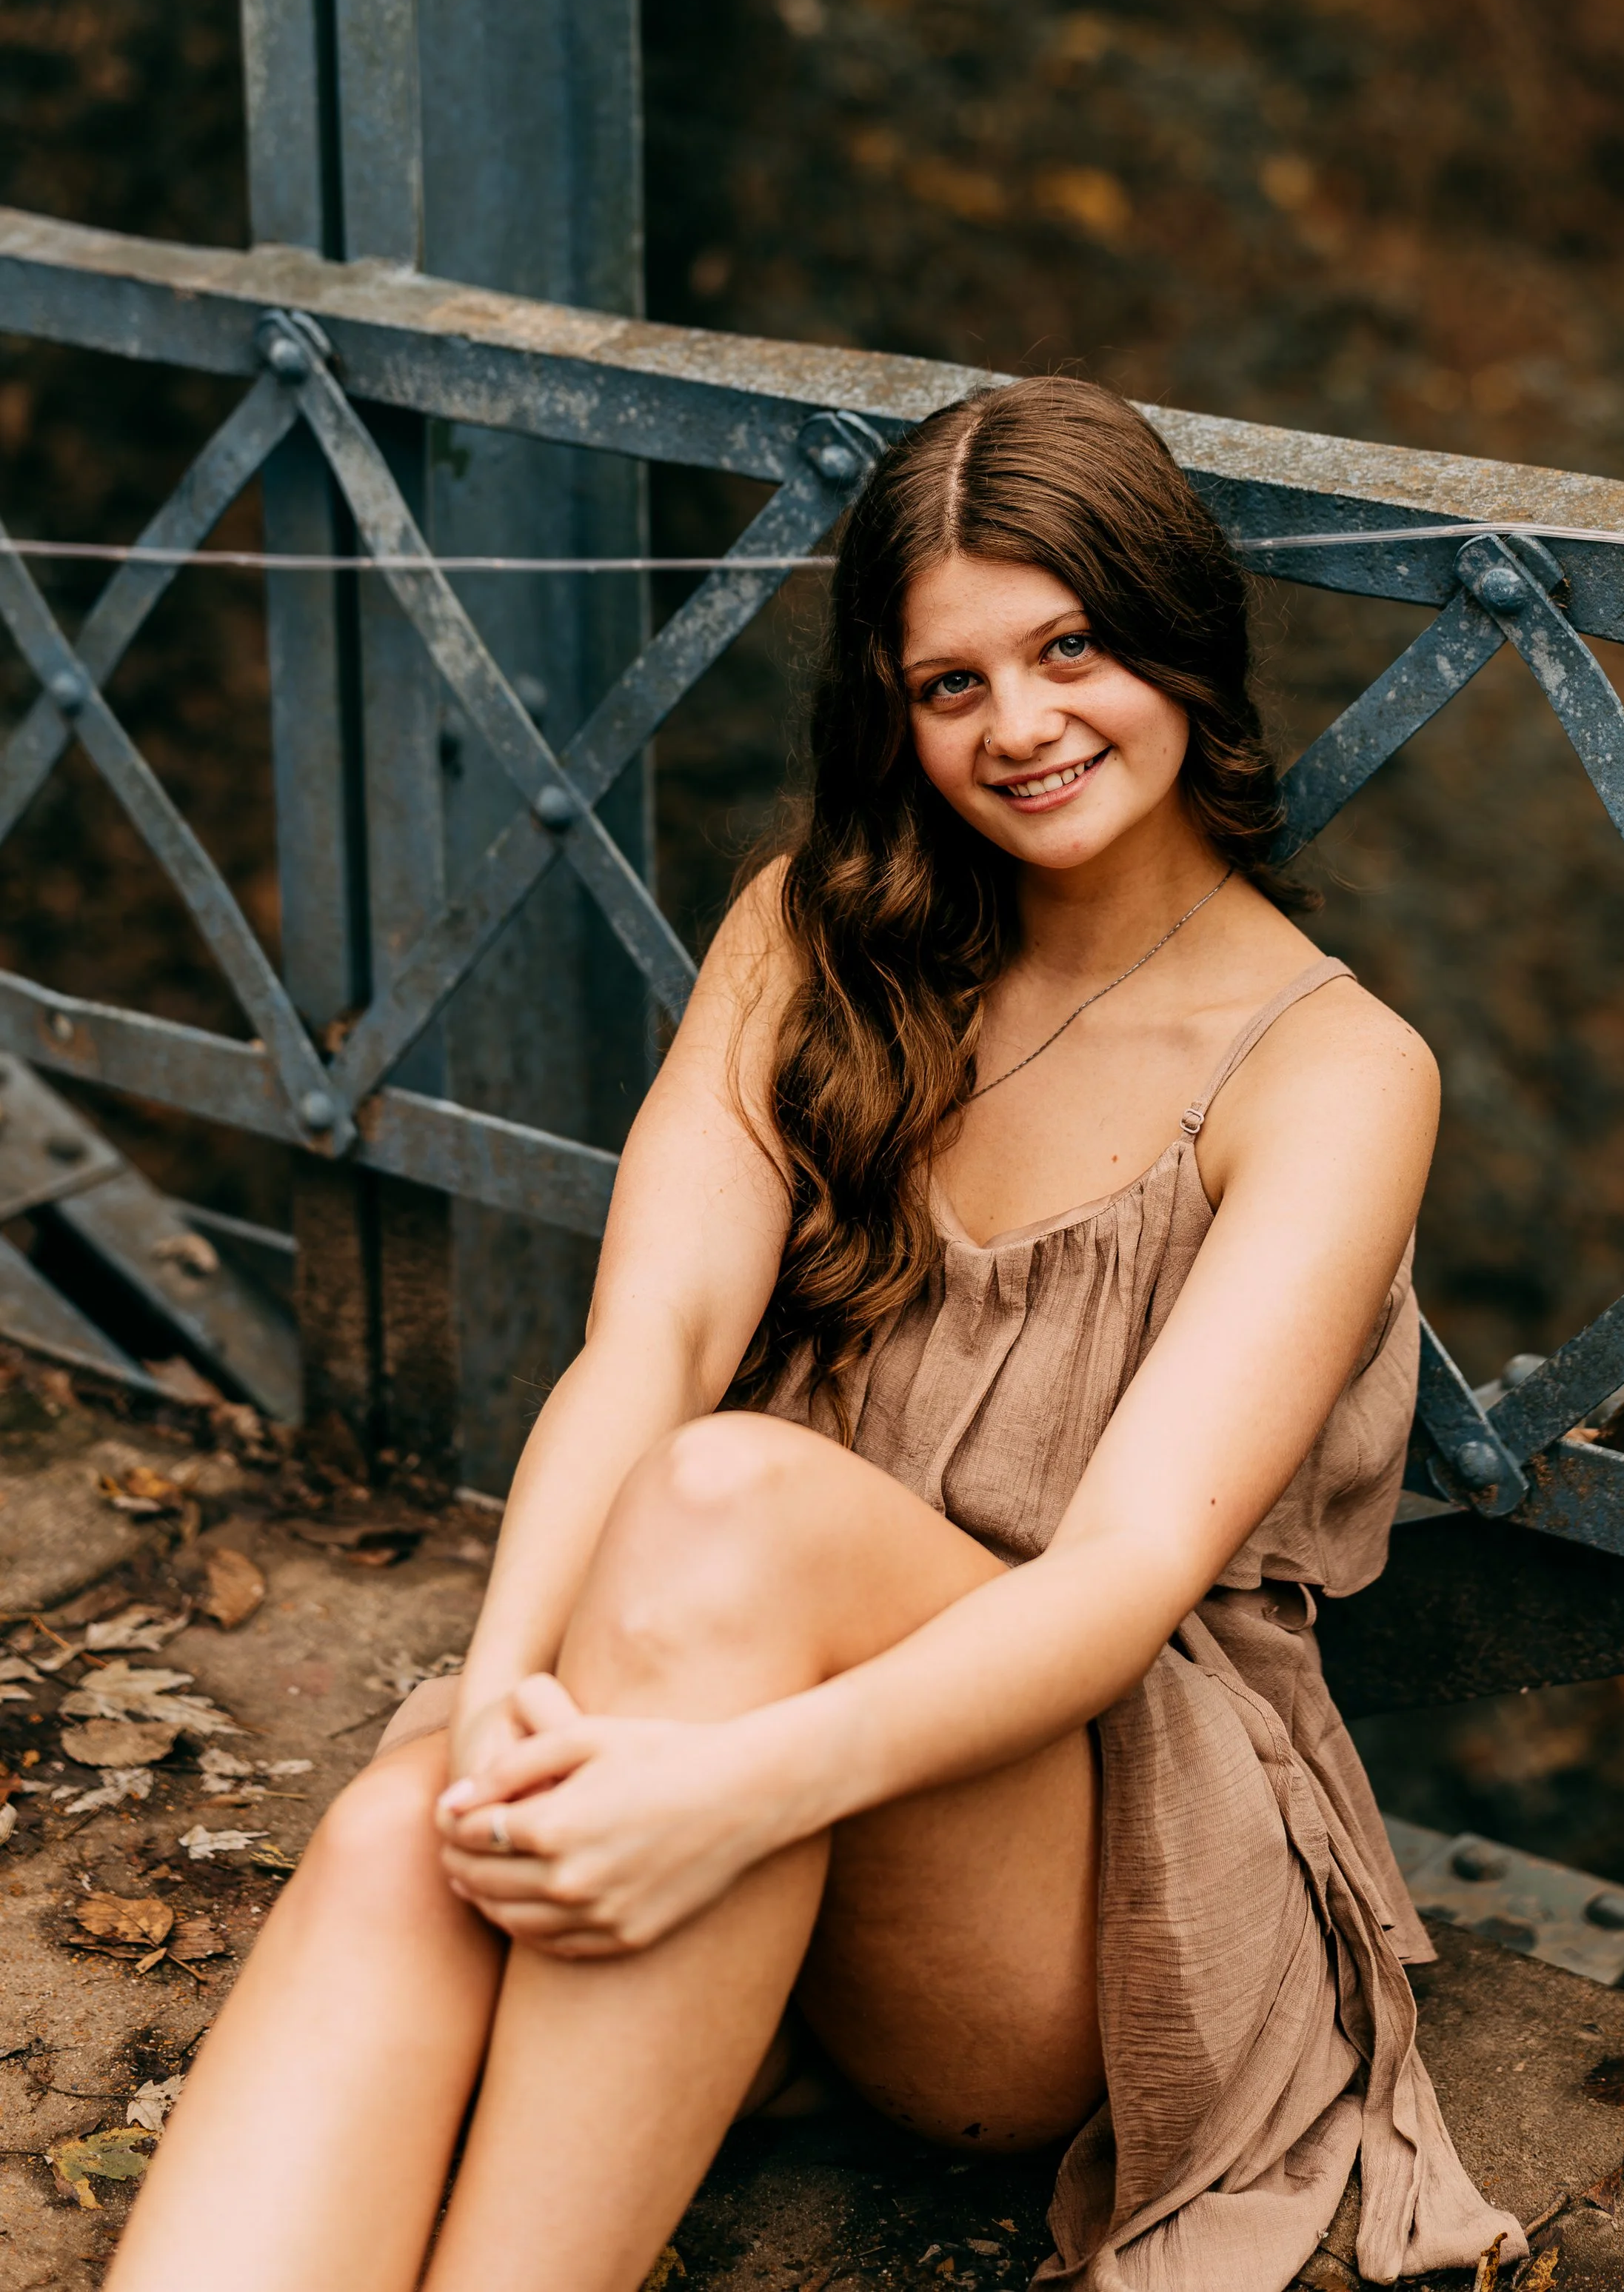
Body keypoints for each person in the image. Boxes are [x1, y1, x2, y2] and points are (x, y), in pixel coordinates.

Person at [110, 378, 1523, 2292]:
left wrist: (723, 1788)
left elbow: (1119, 1578)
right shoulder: (812, 929)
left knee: (733, 1499)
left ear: (1180, 641)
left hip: (1063, 1876)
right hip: (723, 1696)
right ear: (894, 706)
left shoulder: (1334, 1073)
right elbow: (647, 1341)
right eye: (951, 684)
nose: (1018, 727)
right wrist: (506, 1713)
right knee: (395, 1838)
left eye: (1070, 648)